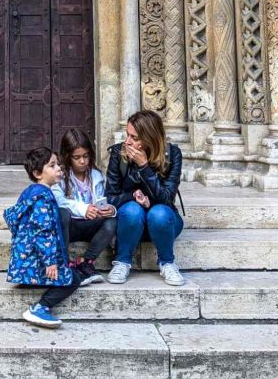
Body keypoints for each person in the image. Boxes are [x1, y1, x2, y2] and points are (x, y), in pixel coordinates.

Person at [104, 110, 185, 287]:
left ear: (150, 138)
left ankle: (167, 263)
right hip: (129, 224)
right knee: (133, 209)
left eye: (135, 137)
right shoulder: (119, 153)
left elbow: (167, 199)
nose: (128, 141)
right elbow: (110, 197)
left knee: (159, 213)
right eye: (127, 135)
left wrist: (144, 166)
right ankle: (123, 261)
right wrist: (132, 196)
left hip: (162, 223)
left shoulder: (173, 155)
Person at [4, 146, 82, 328]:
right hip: (37, 260)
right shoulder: (42, 198)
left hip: (24, 262)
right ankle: (40, 308)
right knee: (73, 279)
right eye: (52, 165)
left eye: (58, 165)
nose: (58, 169)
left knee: (72, 274)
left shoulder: (30, 193)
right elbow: (43, 232)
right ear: (38, 173)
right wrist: (50, 262)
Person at [53, 128, 117, 285]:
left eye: (86, 156)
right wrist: (84, 209)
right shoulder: (59, 176)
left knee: (112, 222)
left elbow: (102, 198)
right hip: (70, 226)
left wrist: (108, 209)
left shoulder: (95, 175)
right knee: (62, 214)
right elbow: (59, 201)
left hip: (90, 225)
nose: (83, 161)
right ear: (68, 157)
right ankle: (65, 262)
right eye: (77, 157)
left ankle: (86, 262)